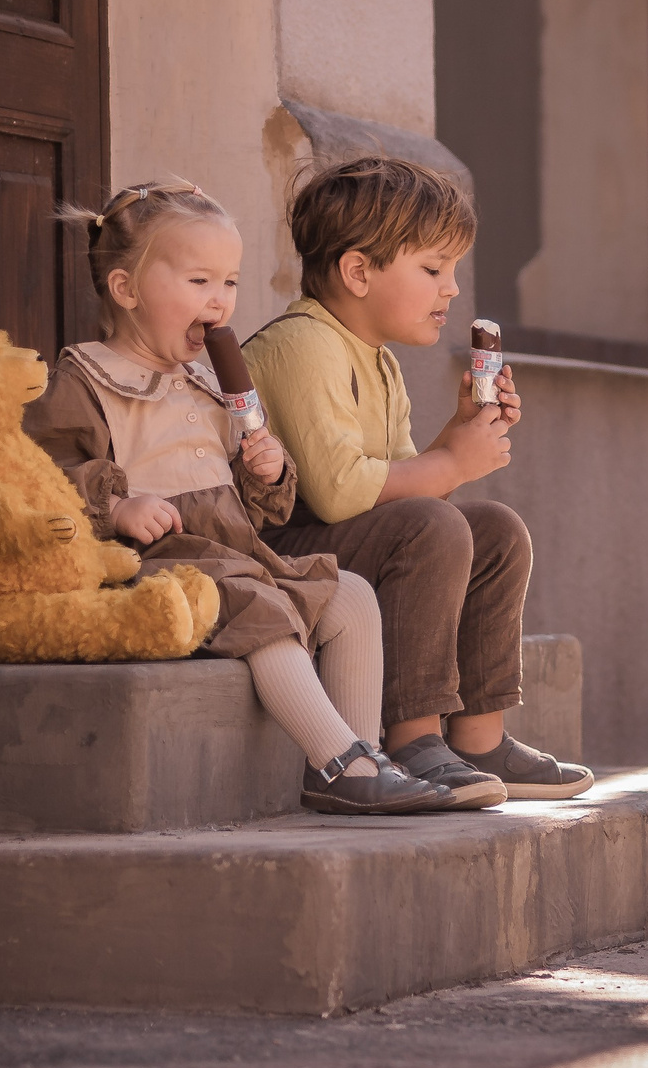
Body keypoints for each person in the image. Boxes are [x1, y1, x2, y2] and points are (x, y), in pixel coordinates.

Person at [25, 179, 480, 817]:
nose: (220, 301)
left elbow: (254, 508)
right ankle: (337, 760)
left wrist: (265, 474)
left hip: (237, 551)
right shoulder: (88, 377)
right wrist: (119, 506)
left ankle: (362, 753)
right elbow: (46, 472)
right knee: (262, 610)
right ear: (126, 289)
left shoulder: (211, 382)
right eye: (199, 282)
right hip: (154, 560)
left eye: (231, 283)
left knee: (349, 595)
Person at [244, 155, 594, 801]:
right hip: (276, 552)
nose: (452, 289)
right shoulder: (302, 345)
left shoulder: (378, 363)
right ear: (357, 272)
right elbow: (339, 492)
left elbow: (409, 489)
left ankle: (478, 738)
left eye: (453, 271)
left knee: (492, 528)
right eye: (433, 269)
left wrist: (455, 439)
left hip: (338, 541)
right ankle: (413, 738)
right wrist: (452, 462)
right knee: (435, 523)